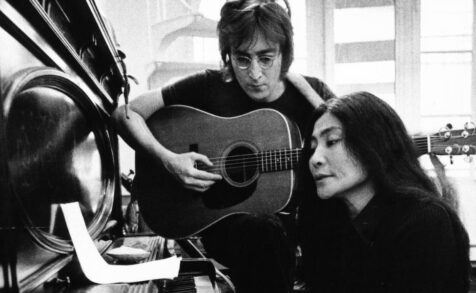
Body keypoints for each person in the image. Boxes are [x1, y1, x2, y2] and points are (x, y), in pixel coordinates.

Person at [111, 0, 336, 292]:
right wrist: (168, 159)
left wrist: (305, 90)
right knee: (262, 230)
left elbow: (354, 136)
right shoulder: (210, 85)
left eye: (266, 58)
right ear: (228, 56)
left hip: (301, 229)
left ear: (285, 55)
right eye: (242, 59)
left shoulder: (310, 92)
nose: (254, 73)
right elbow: (125, 114)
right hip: (232, 230)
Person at [298, 91, 471, 292]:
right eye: (312, 147)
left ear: (374, 143)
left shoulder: (426, 219)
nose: (315, 158)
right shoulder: (331, 224)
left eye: (332, 141)